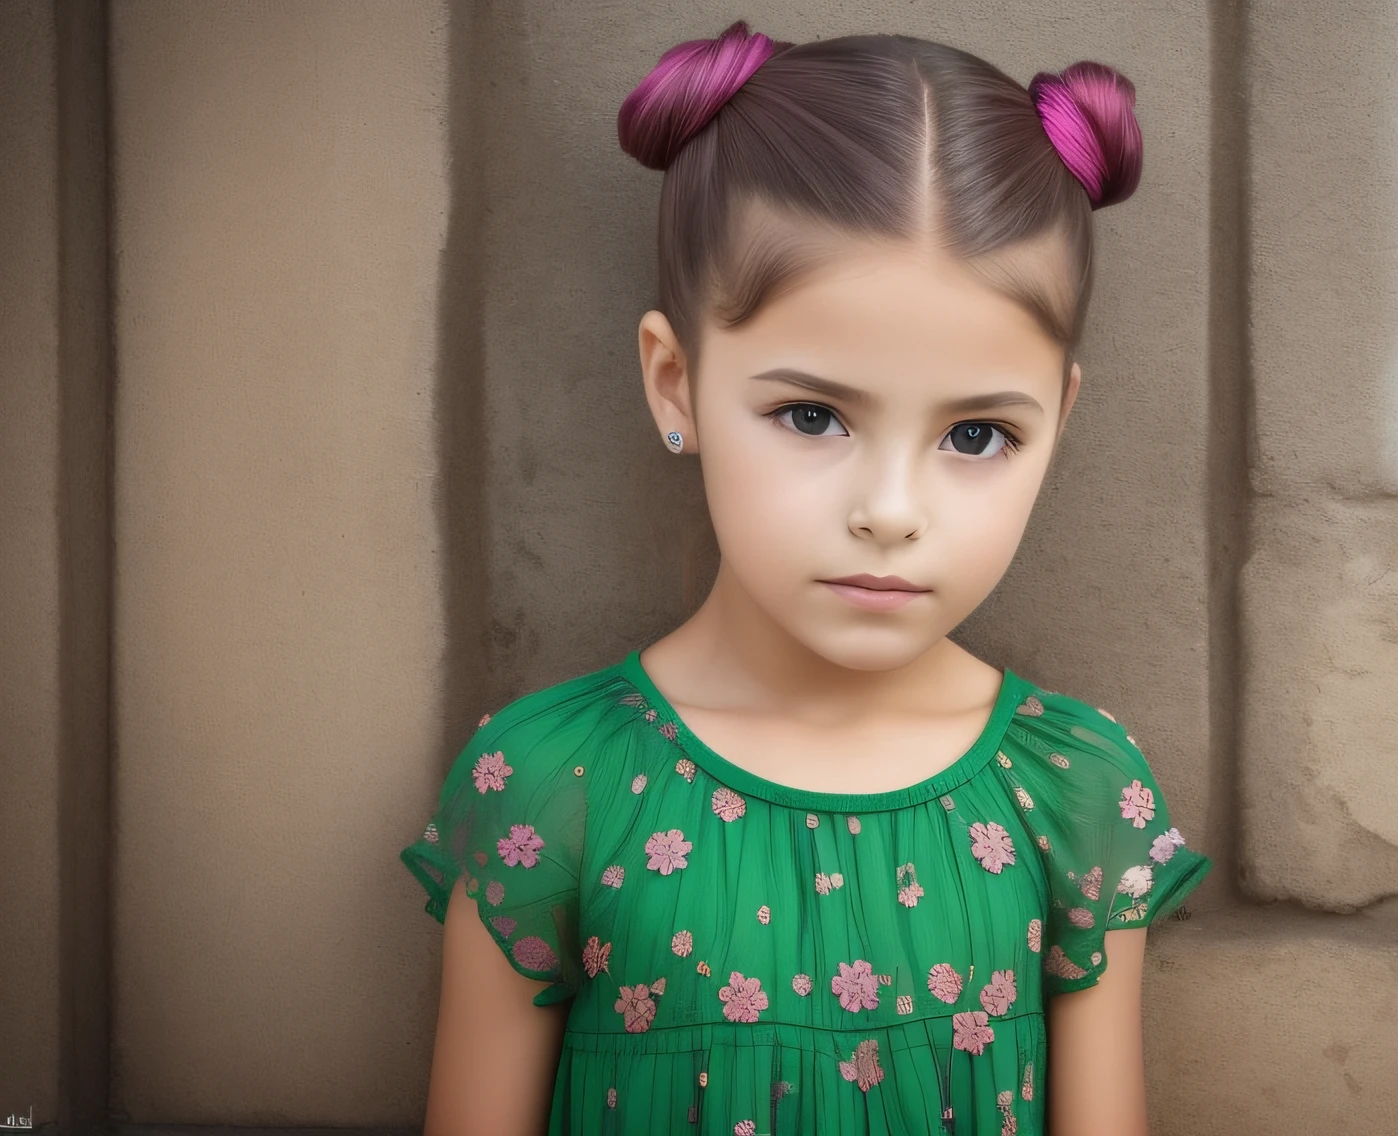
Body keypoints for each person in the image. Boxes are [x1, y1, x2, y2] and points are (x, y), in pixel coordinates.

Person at [399, 20, 1209, 1135]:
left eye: (975, 435)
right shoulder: (551, 783)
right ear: (675, 382)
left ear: (1057, 422)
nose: (889, 510)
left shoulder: (1071, 791)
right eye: (811, 415)